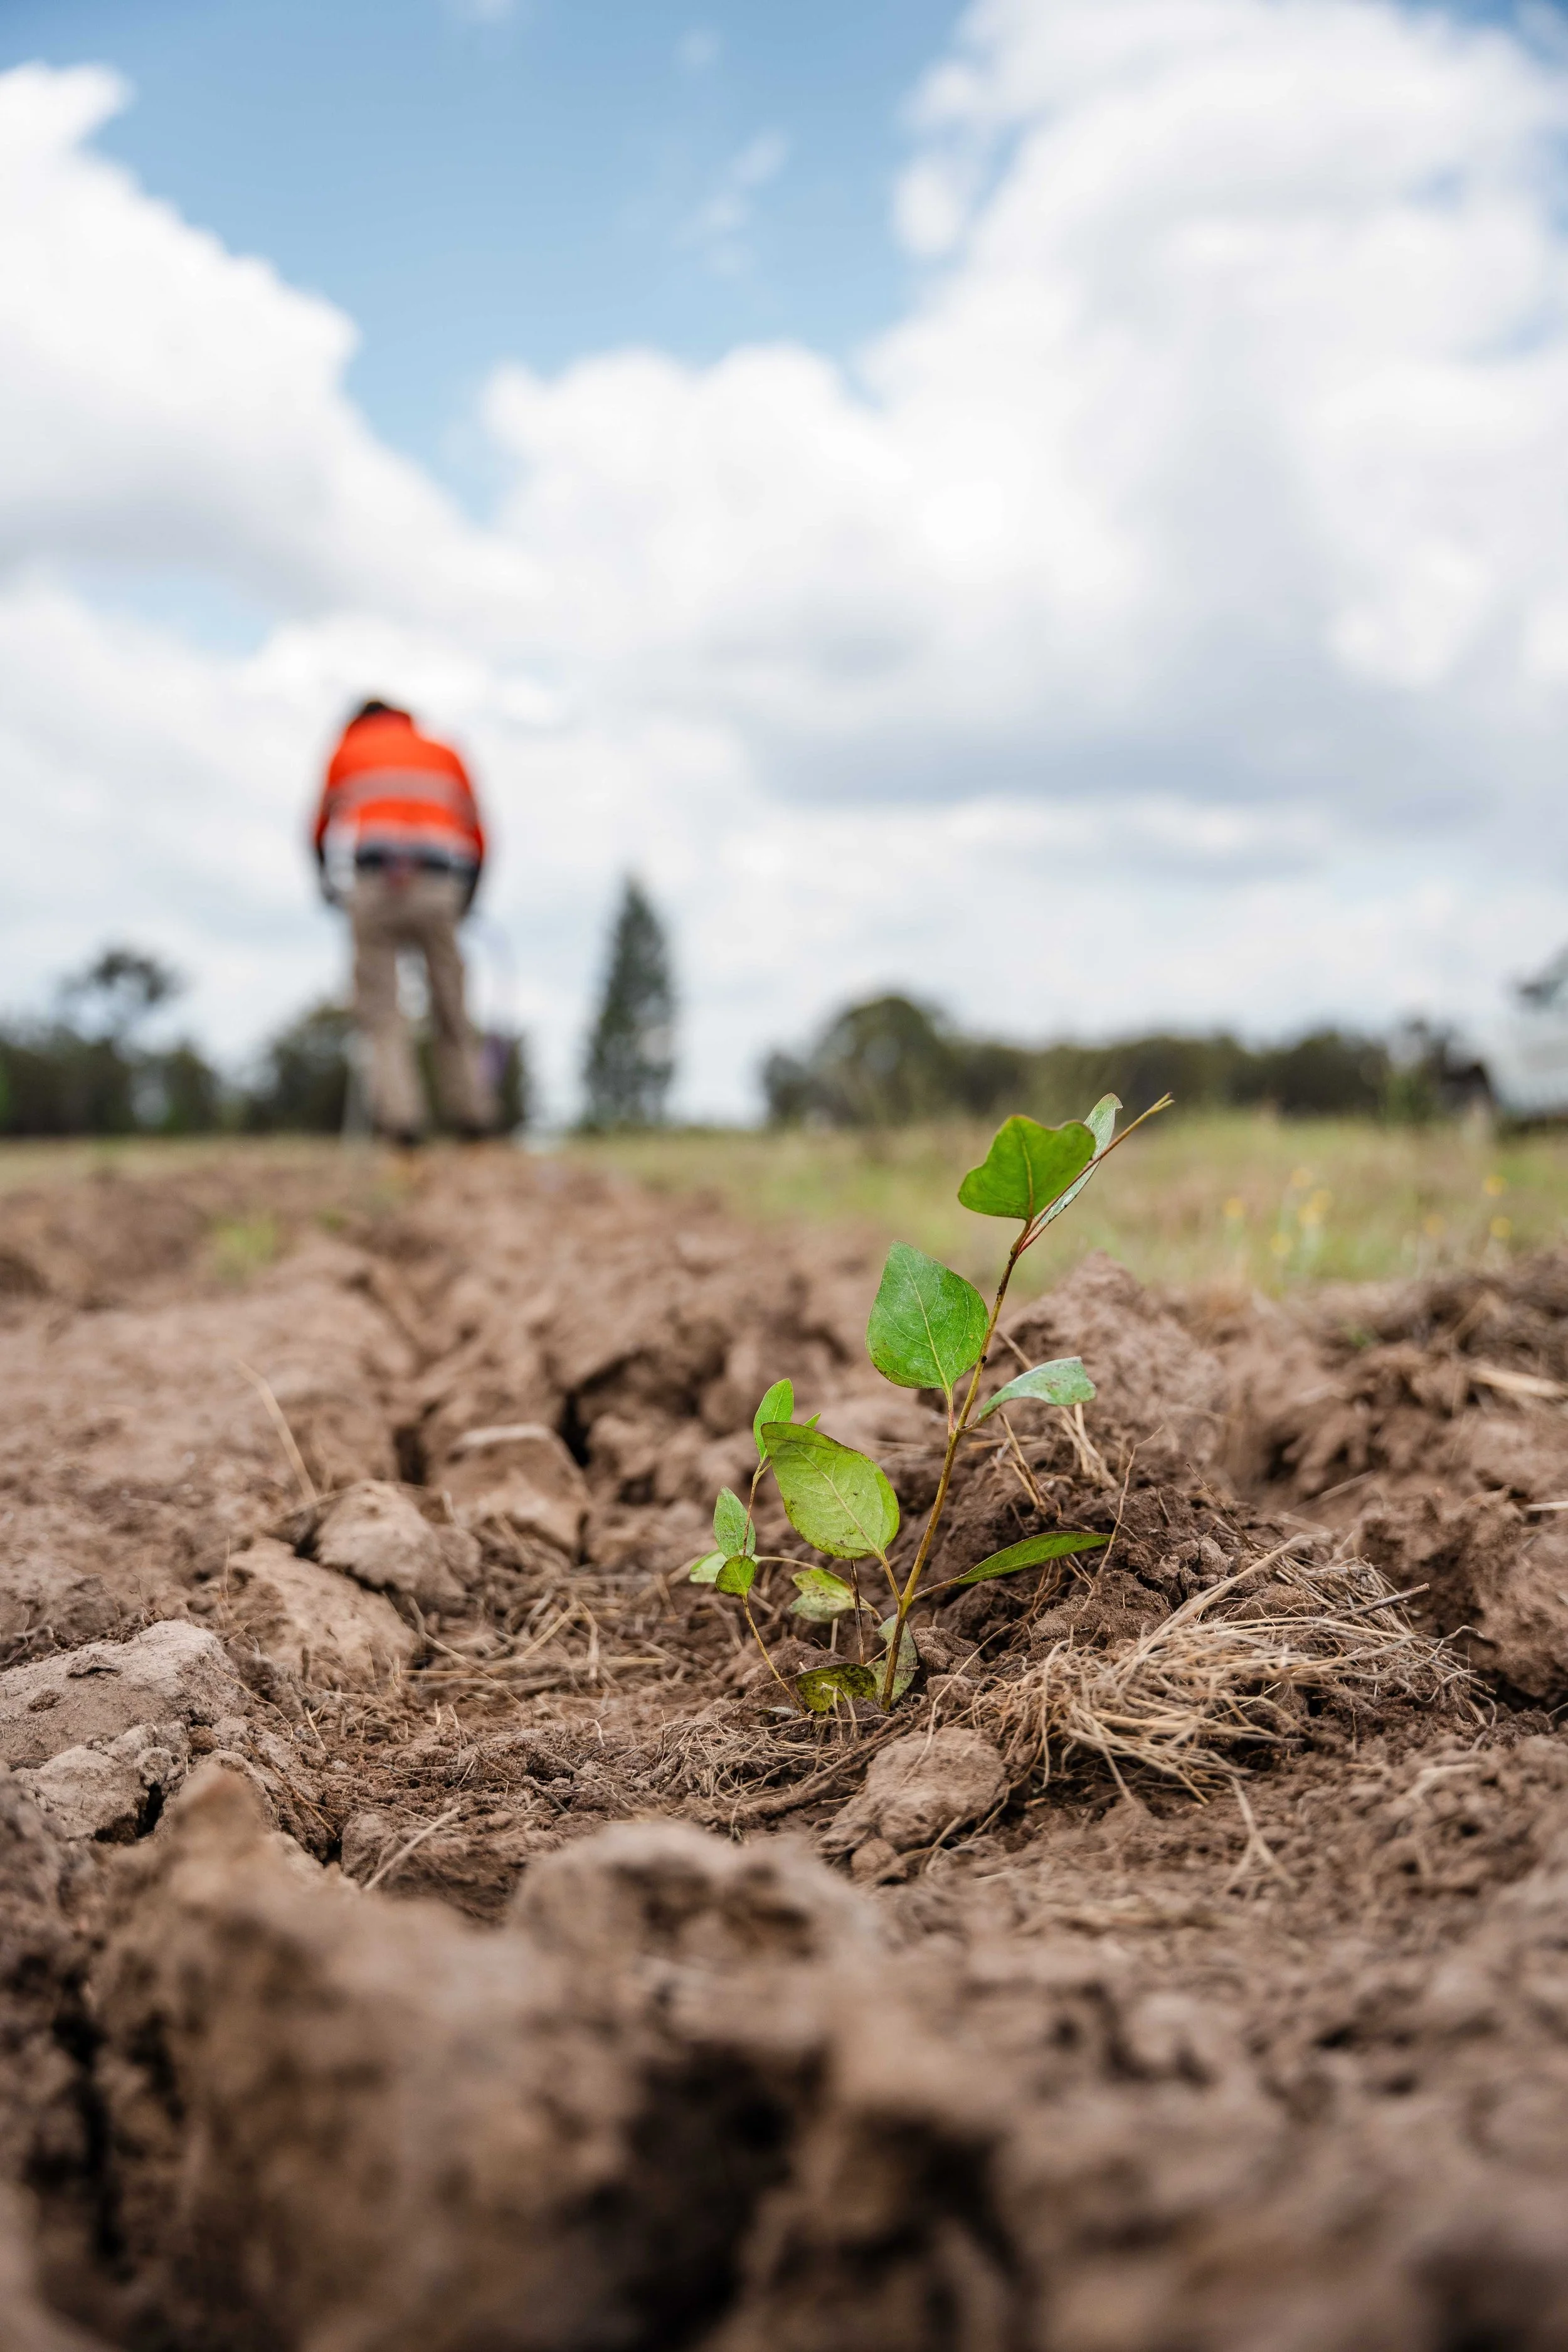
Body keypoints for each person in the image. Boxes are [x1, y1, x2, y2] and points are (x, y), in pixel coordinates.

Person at [312, 699, 496, 1143]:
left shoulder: (347, 747)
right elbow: (479, 834)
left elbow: (319, 829)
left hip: (374, 886)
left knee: (380, 1008)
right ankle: (472, 1115)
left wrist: (326, 882)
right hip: (438, 887)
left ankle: (401, 1121)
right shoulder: (445, 750)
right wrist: (468, 895)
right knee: (451, 1004)